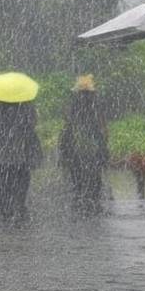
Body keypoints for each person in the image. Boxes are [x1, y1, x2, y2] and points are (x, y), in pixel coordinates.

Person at [0, 99, 43, 222]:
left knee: (3, 179)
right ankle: (19, 204)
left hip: (3, 149)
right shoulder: (27, 105)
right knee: (23, 178)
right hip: (22, 149)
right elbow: (34, 123)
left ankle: (5, 208)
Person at [58, 75, 109, 214]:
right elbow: (102, 123)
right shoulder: (97, 101)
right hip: (94, 140)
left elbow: (68, 122)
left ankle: (80, 201)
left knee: (77, 172)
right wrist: (104, 142)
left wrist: (64, 145)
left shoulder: (73, 102)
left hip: (75, 142)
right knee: (95, 172)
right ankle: (93, 202)